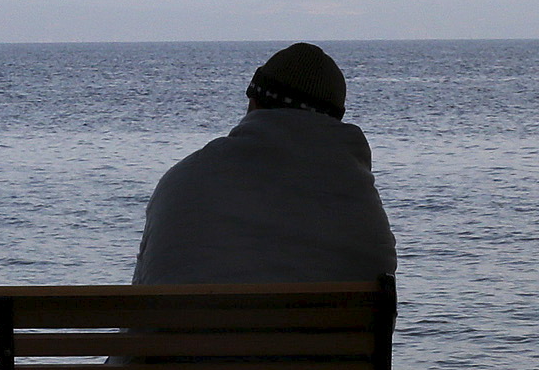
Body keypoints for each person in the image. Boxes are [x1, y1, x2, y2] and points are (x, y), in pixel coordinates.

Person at [132, 43, 396, 285]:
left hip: (186, 338)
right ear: (333, 121)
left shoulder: (184, 180)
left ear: (254, 103)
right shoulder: (358, 197)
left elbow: (145, 290)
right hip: (324, 338)